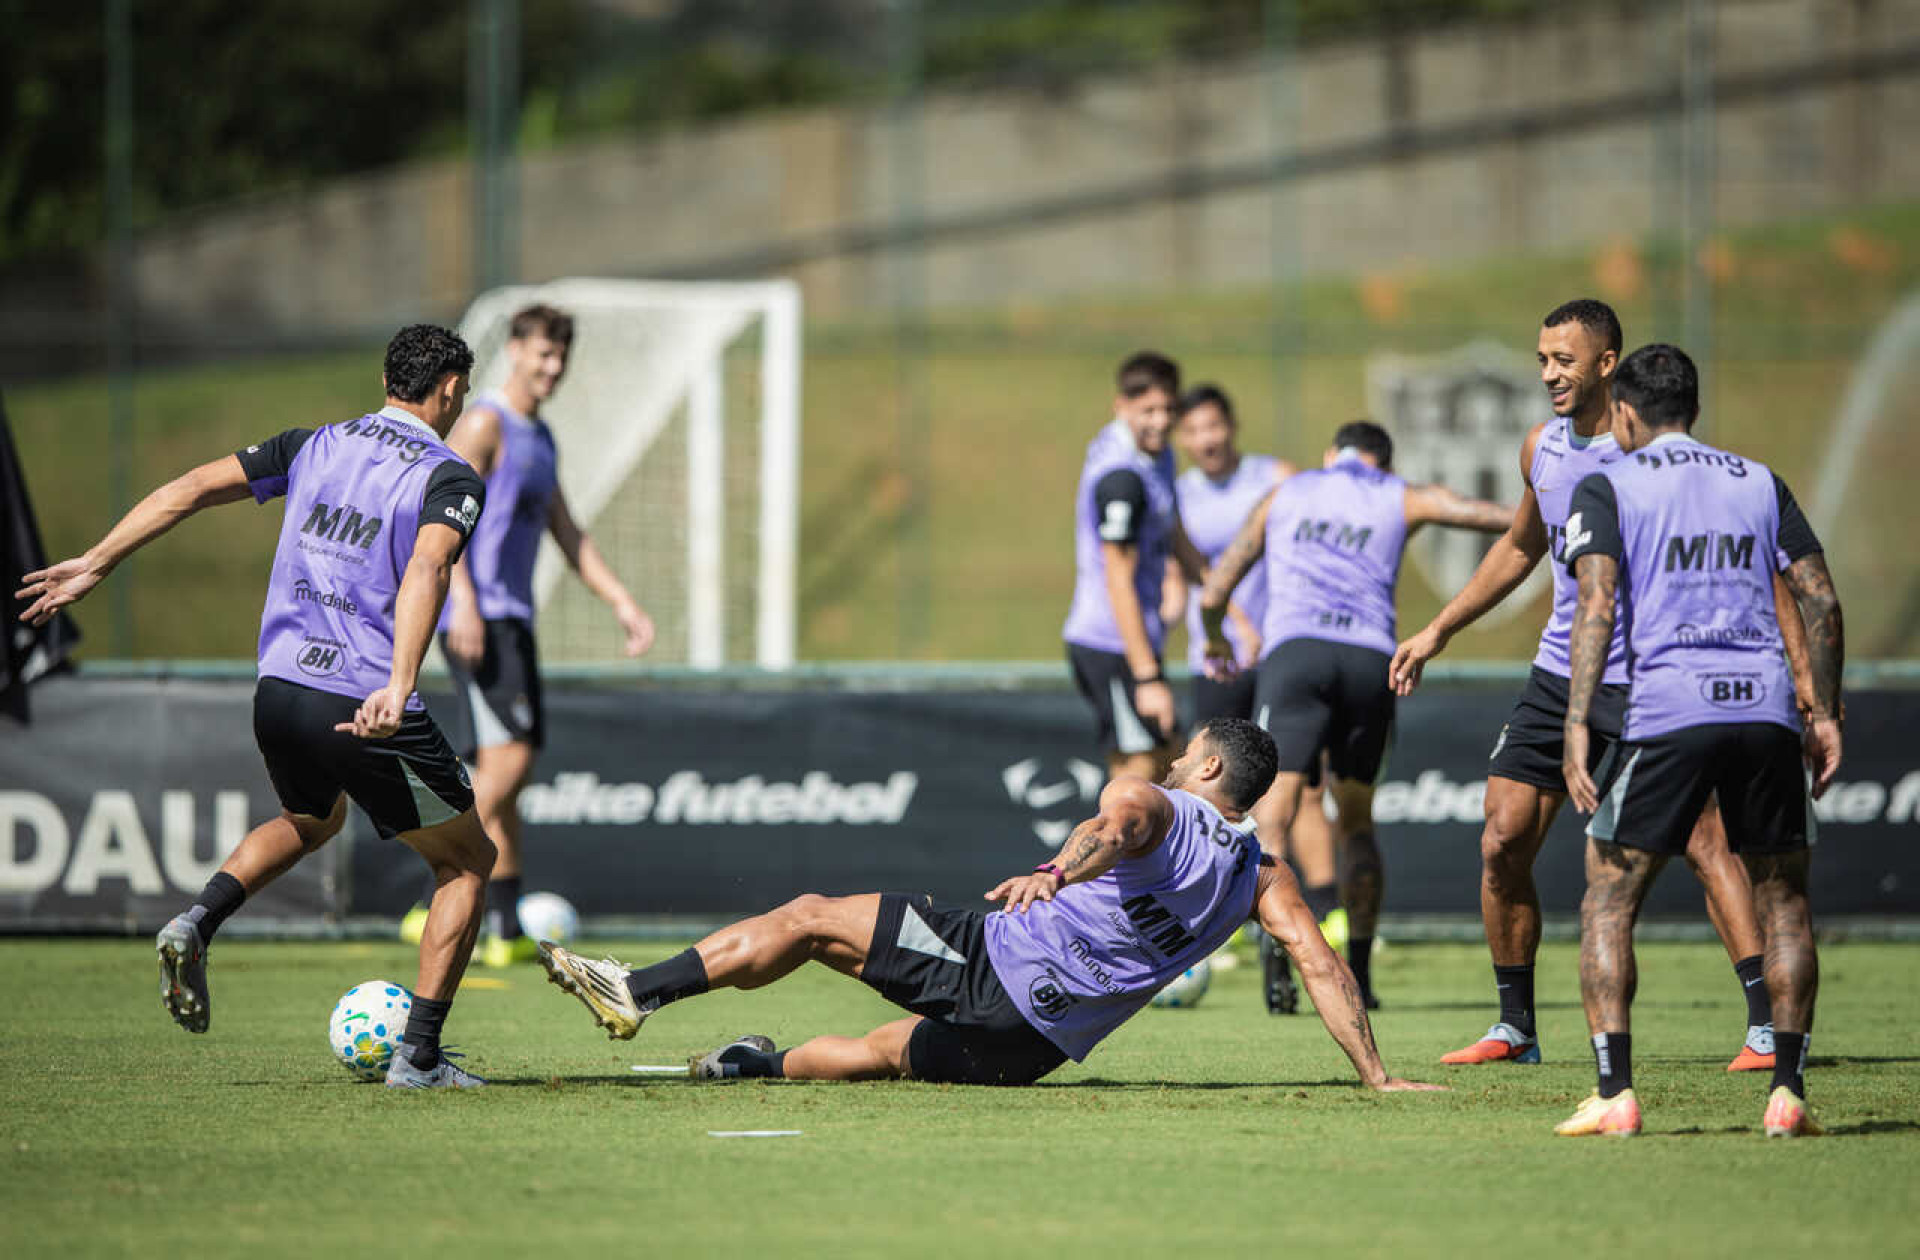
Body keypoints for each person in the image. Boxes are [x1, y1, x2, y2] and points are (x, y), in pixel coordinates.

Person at [16, 324, 497, 1088]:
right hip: (362, 695)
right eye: (461, 390)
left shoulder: (313, 444)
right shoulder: (450, 476)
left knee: (314, 820)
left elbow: (188, 489)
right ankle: (420, 1058)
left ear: (384, 378)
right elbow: (428, 569)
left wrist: (96, 562)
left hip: (279, 691)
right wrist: (400, 685)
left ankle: (196, 920)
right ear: (447, 390)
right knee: (469, 862)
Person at [537, 718, 1441, 1092]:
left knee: (812, 914)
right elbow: (1321, 965)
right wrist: (1375, 1073)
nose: (1173, 760)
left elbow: (1120, 818)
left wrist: (1055, 869)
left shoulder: (1160, 800)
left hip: (995, 960)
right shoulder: (1264, 877)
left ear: (1210, 769)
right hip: (1038, 1047)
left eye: (1187, 752)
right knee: (885, 1054)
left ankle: (637, 990)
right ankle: (752, 1069)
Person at [1390, 299, 1790, 1071]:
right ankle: (1516, 1029)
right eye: (1541, 359)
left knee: (1706, 842)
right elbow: (1518, 548)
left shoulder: (1663, 455)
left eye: (1563, 360)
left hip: (1653, 676)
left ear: (1608, 363)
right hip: (1557, 672)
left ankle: (1765, 1028)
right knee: (1501, 838)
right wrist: (1438, 629)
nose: (1548, 375)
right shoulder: (1542, 447)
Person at [1554, 343, 1842, 1138]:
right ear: (1695, 408)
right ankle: (1787, 1095)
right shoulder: (1758, 480)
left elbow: (1598, 606)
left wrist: (1578, 721)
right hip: (1765, 712)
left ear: (1625, 411)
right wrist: (1826, 714)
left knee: (1608, 899)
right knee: (1784, 900)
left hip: (1668, 713)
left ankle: (1615, 1093)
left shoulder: (1608, 482)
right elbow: (1820, 602)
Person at [1198, 421, 1512, 1010]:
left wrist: (1217, 640)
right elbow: (1488, 516)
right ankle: (1360, 976)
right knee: (1358, 823)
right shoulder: (1403, 494)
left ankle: (1278, 969)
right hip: (1372, 663)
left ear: (1328, 454)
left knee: (1275, 814)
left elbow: (1215, 591)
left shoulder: (1287, 493)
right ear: (1383, 464)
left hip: (1297, 658)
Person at [401, 304, 657, 967]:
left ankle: (505, 925)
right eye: (542, 354)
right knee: (512, 761)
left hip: (512, 620)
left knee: (499, 767)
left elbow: (567, 532)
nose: (553, 368)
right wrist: (464, 603)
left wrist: (622, 602)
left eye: (561, 358)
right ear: (514, 350)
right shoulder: (484, 423)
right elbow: (441, 514)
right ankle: (428, 888)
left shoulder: (540, 438)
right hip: (480, 619)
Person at [1161, 383, 1330, 1015]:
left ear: (1231, 426)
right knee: (1210, 786)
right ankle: (1204, 910)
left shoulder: (1275, 478)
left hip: (1280, 652)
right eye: (1193, 431)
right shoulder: (1178, 494)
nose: (1206, 440)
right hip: (1217, 656)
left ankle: (1315, 911)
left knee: (1300, 786)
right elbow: (1185, 571)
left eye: (1214, 427)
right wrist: (1176, 613)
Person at [1062, 351, 1208, 784]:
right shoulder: (1121, 479)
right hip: (1110, 645)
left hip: (1138, 641)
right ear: (1120, 407)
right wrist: (1147, 678)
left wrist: (1226, 608)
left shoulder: (1156, 455)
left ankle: (1129, 853)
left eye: (1169, 409)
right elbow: (1117, 580)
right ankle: (1087, 856)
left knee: (1164, 769)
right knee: (1140, 778)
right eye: (1148, 411)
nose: (1161, 421)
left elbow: (1177, 538)